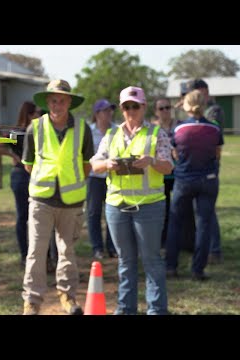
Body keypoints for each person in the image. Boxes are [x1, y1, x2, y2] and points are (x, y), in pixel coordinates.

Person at [90, 86, 173, 315]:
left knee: (151, 261)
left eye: (135, 106)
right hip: (117, 207)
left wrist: (151, 161)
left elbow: (168, 167)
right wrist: (108, 164)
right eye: (126, 107)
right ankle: (126, 310)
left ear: (144, 107)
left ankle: (156, 310)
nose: (130, 111)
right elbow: (94, 164)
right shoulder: (111, 135)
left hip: (149, 207)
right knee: (125, 262)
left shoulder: (157, 134)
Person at [21, 79, 94, 315]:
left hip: (71, 202)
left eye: (62, 100)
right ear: (47, 102)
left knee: (67, 251)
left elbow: (86, 166)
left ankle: (68, 297)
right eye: (53, 100)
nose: (57, 104)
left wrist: (67, 183)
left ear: (69, 102)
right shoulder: (35, 128)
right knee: (36, 252)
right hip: (42, 200)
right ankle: (32, 302)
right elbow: (28, 165)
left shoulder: (83, 129)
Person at [165, 90, 223, 281]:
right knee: (204, 224)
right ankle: (198, 270)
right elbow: (217, 154)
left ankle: (171, 266)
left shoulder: (179, 129)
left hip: (184, 180)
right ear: (204, 104)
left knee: (175, 222)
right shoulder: (214, 128)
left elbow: (173, 154)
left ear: (185, 105)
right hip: (208, 179)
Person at [0, 101, 41, 268]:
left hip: (36, 175)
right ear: (29, 114)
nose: (39, 115)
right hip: (21, 175)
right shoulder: (18, 132)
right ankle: (25, 254)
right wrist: (13, 156)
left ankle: (38, 255)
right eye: (36, 112)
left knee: (37, 217)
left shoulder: (39, 131)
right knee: (23, 217)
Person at [188, 79, 224, 264]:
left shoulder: (214, 110)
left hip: (209, 166)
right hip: (193, 166)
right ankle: (200, 246)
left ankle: (214, 249)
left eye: (199, 94)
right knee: (198, 210)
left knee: (207, 210)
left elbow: (210, 130)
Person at [87, 99, 118, 259]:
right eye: (105, 110)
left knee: (112, 212)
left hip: (113, 177)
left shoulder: (117, 130)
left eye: (110, 110)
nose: (109, 113)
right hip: (94, 178)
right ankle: (97, 248)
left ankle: (112, 247)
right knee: (94, 213)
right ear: (97, 114)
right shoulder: (89, 131)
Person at [151, 97, 178, 248]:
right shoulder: (152, 129)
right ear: (156, 111)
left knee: (181, 210)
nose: (165, 111)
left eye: (167, 107)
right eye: (161, 108)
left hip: (179, 174)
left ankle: (182, 240)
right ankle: (164, 241)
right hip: (160, 175)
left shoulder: (179, 126)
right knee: (164, 211)